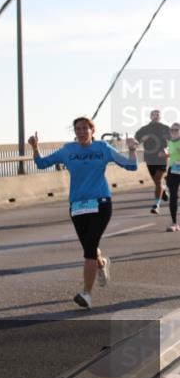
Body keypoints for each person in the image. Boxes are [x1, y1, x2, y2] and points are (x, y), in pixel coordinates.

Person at [29, 117, 138, 309]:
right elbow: (41, 164)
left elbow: (131, 166)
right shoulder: (68, 150)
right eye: (78, 129)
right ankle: (102, 263)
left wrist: (131, 150)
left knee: (89, 248)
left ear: (92, 130)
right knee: (89, 246)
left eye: (85, 128)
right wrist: (35, 147)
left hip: (101, 203)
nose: (81, 132)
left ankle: (86, 294)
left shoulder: (102, 148)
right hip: (78, 205)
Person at [135, 109, 171, 214]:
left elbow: (173, 141)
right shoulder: (144, 129)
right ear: (150, 117)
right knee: (156, 182)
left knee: (158, 179)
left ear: (160, 117)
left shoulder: (165, 128)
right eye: (154, 115)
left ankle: (156, 205)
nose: (156, 116)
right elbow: (137, 140)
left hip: (162, 157)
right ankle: (163, 190)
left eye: (158, 115)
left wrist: (167, 151)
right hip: (149, 157)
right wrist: (142, 139)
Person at [160, 122, 180, 232]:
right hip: (173, 170)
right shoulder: (171, 142)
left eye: (176, 130)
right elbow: (170, 153)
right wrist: (165, 154)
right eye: (172, 130)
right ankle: (174, 223)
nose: (174, 132)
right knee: (173, 197)